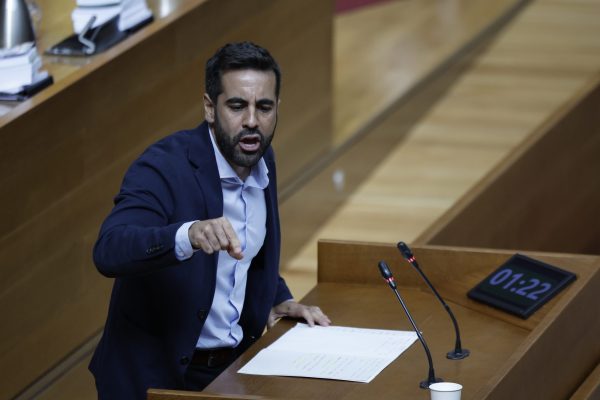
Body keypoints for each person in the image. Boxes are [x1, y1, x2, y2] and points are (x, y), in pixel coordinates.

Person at [89, 42, 331, 399]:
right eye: (237, 106)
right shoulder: (164, 166)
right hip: (153, 379)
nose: (252, 121)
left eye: (264, 107)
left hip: (229, 372)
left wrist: (276, 298)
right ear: (209, 108)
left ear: (277, 108)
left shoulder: (261, 158)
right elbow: (109, 250)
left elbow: (249, 253)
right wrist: (188, 235)